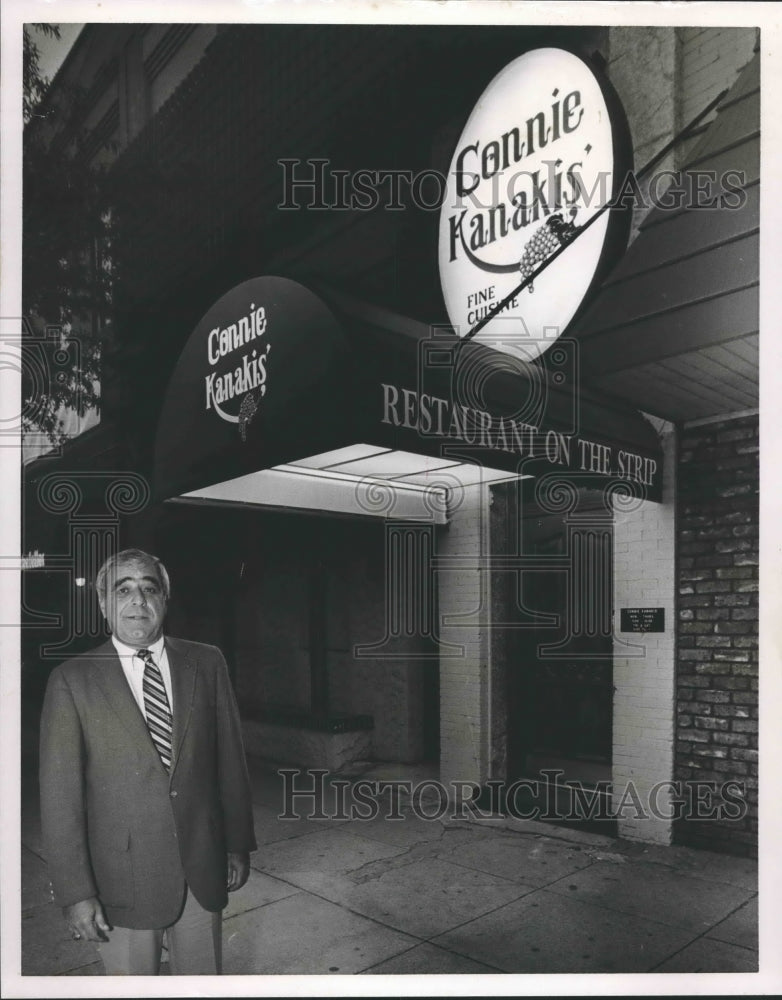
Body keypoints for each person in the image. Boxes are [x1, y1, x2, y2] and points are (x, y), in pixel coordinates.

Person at [38, 548, 257, 975]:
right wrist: (75, 892)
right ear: (103, 603)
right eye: (123, 589)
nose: (137, 600)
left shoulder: (206, 662)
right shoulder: (71, 680)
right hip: (122, 881)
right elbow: (59, 799)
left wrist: (236, 843)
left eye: (148, 588)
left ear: (164, 600)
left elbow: (230, 761)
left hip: (202, 869)